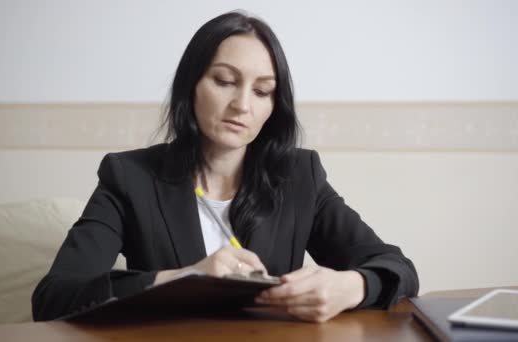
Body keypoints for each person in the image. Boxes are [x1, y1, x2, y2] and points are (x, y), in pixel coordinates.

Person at [32, 10, 418, 323]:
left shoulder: (300, 176)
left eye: (263, 91)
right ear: (191, 86)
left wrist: (349, 287)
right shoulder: (129, 176)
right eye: (224, 81)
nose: (242, 105)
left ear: (273, 106)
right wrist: (187, 277)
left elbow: (397, 267)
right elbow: (54, 297)